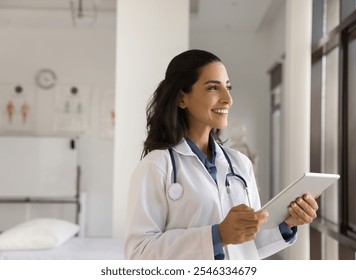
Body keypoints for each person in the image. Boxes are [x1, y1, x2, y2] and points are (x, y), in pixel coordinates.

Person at [124, 49, 318, 260]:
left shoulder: (240, 164)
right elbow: (138, 254)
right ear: (182, 98)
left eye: (228, 87)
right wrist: (217, 236)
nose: (228, 99)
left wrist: (287, 224)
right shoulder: (157, 166)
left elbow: (247, 247)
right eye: (213, 88)